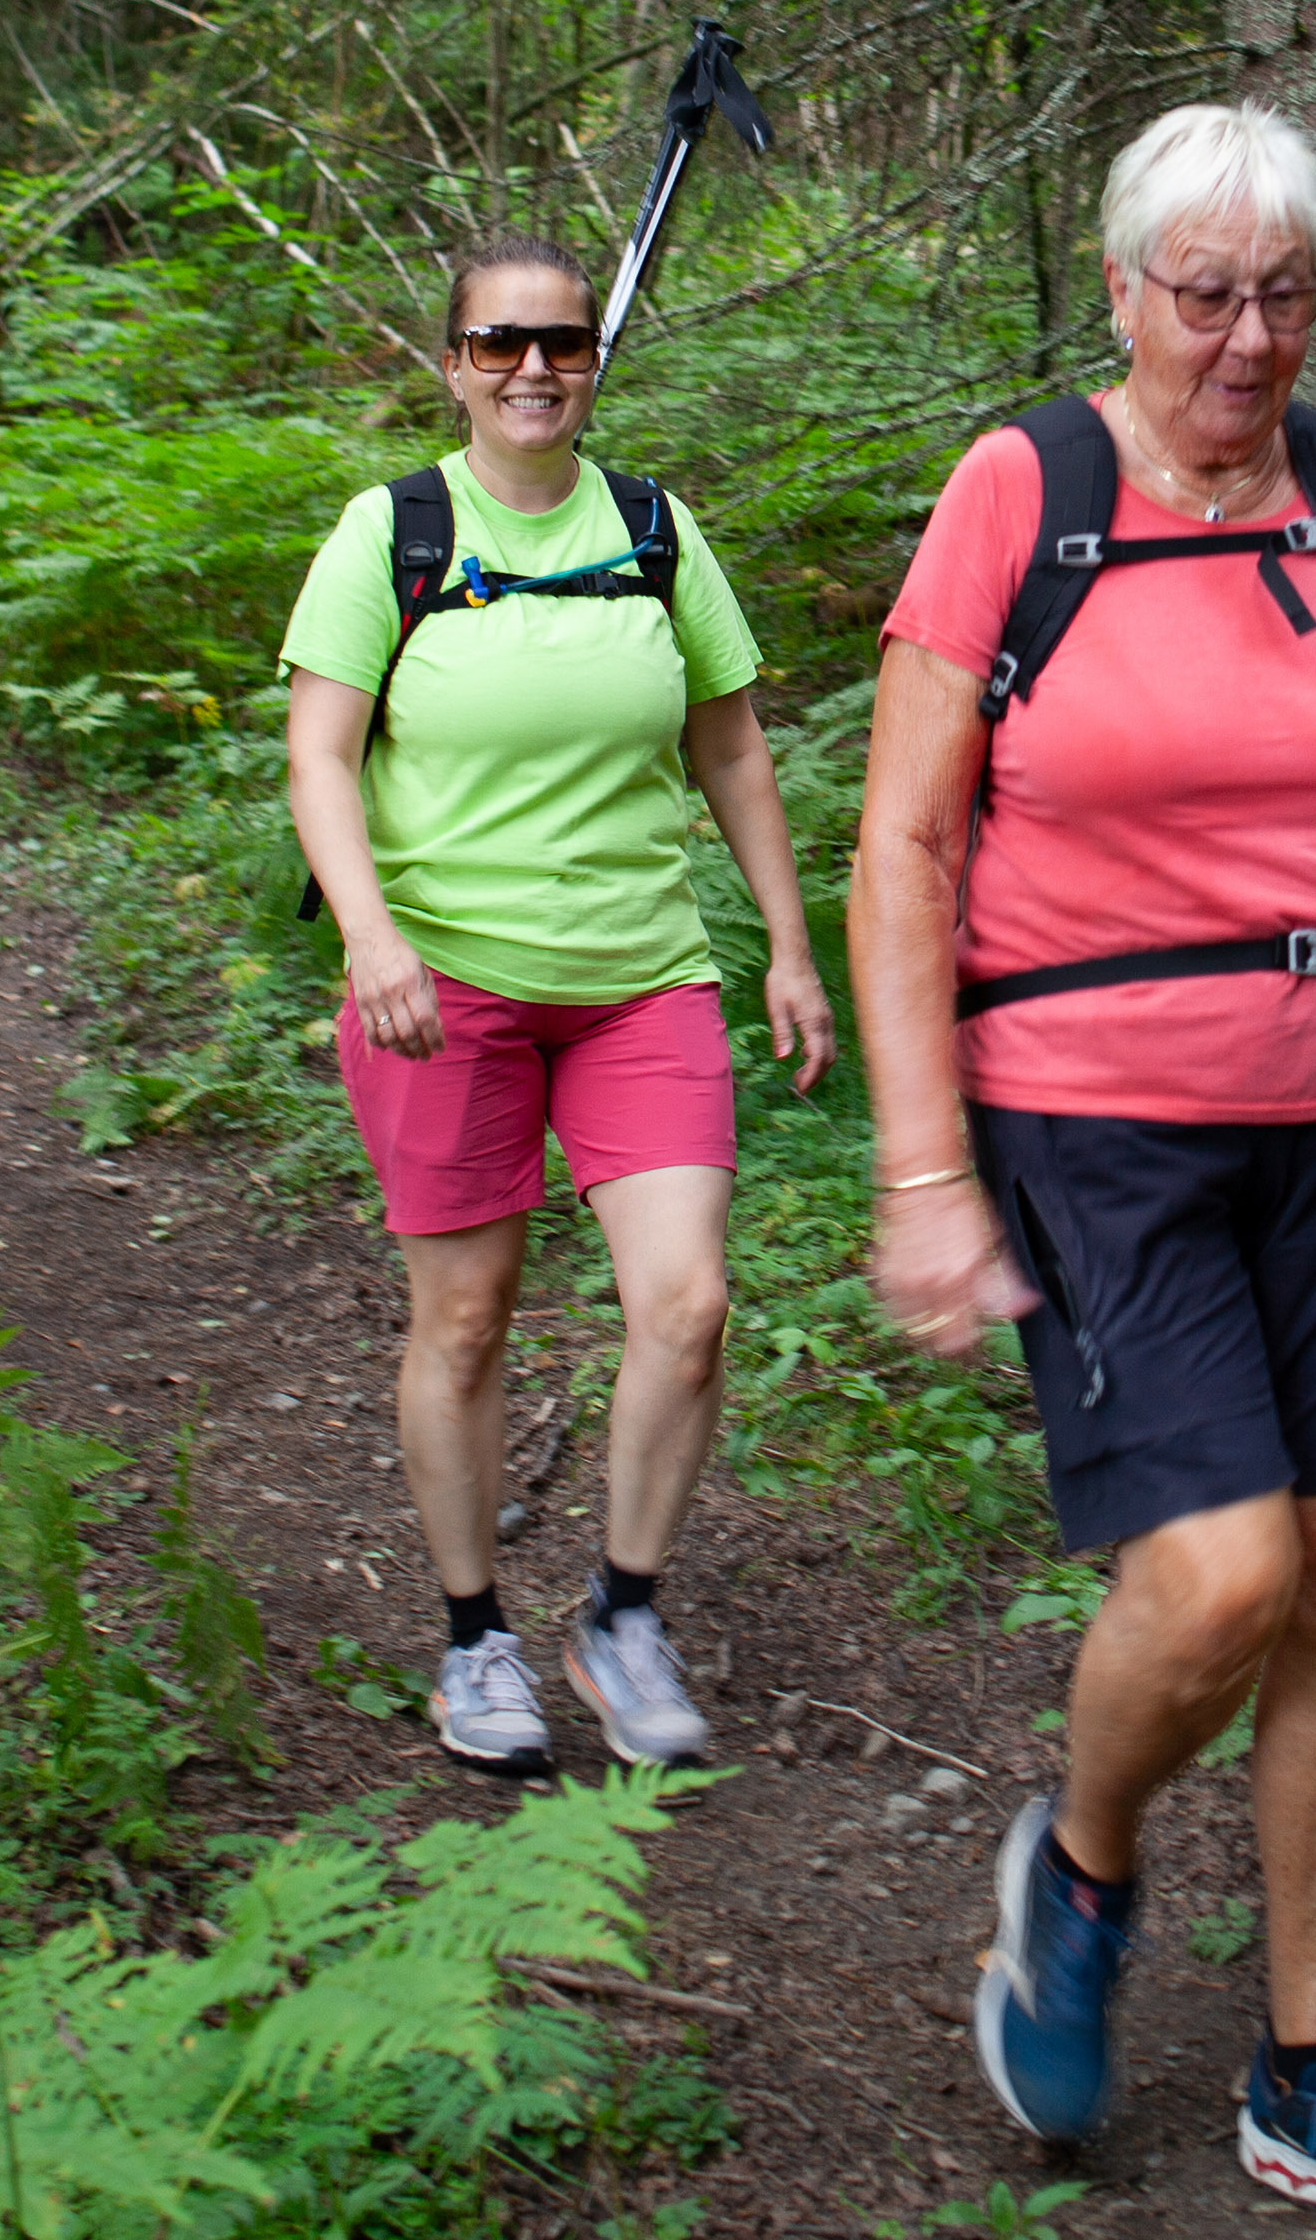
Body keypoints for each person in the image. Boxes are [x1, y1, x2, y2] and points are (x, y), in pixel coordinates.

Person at [848, 105, 1316, 2240]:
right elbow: (904, 847)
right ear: (1120, 284)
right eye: (1201, 292)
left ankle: (1310, 2075)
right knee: (1221, 1574)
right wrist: (921, 1166)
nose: (1242, 340)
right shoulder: (1017, 493)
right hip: (1100, 1110)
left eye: (1283, 296)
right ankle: (1081, 1862)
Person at [282, 233, 834, 1774]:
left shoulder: (656, 530)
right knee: (462, 1325)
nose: (536, 370)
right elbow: (320, 752)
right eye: (500, 345)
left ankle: (623, 1614)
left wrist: (789, 946)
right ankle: (475, 1642)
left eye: (565, 344)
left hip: (639, 982)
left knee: (690, 1306)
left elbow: (730, 747)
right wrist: (373, 935)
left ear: (596, 358)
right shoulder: (389, 533)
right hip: (440, 986)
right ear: (451, 363)